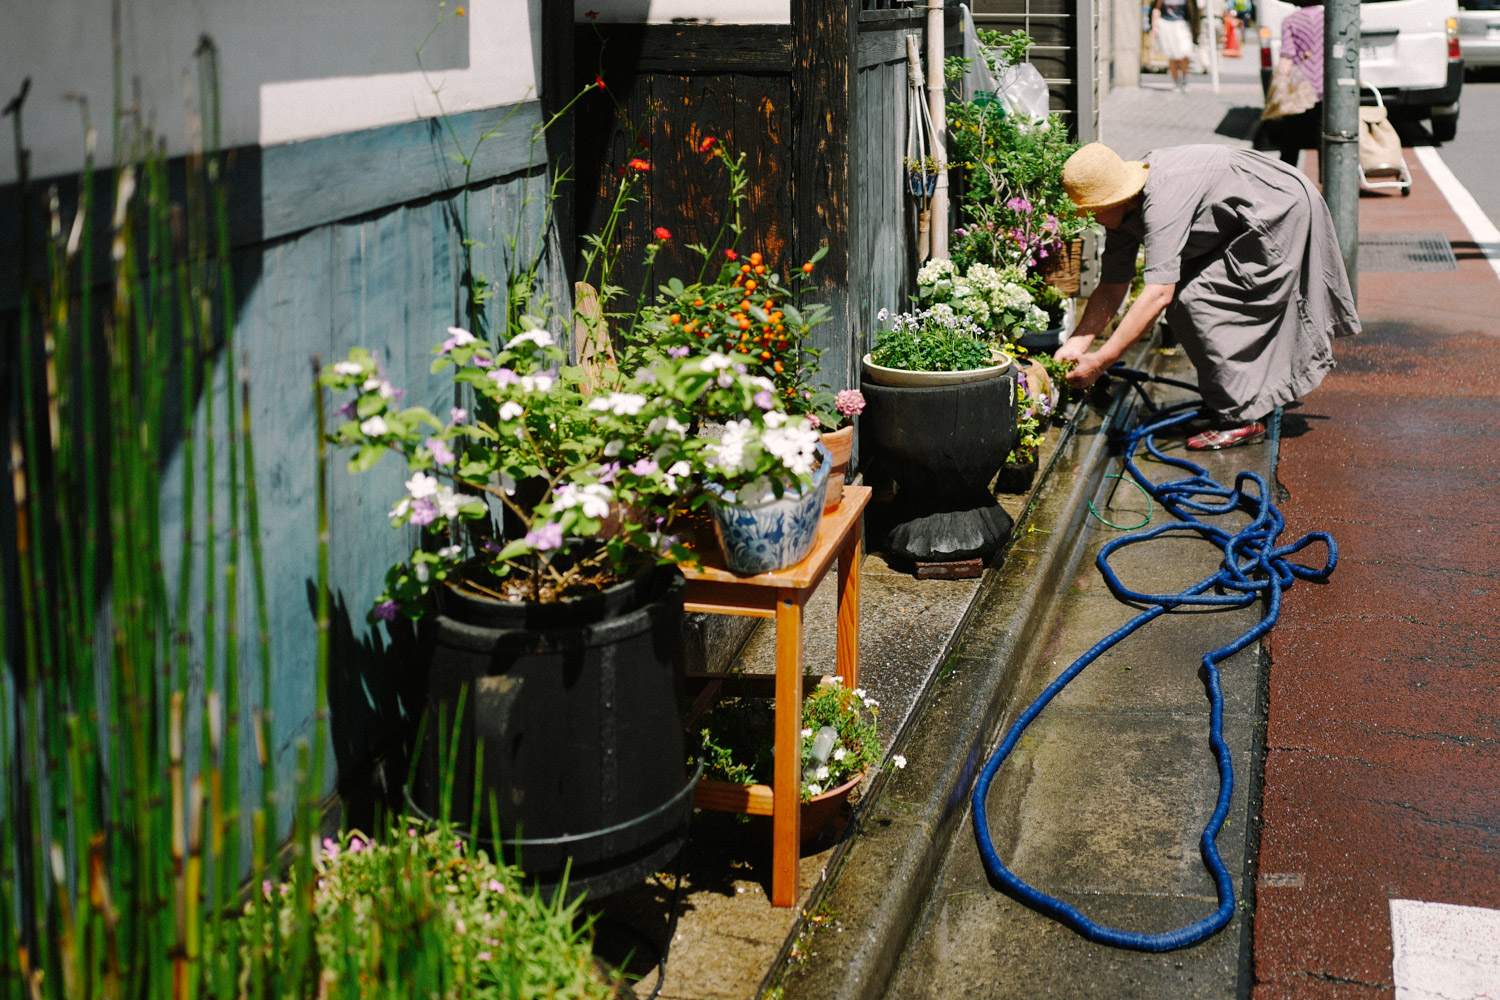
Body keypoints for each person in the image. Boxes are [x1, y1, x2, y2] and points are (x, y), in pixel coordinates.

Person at [1053, 142, 1360, 450]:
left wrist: (1101, 361)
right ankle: (1241, 399)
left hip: (1278, 207)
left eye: (1090, 212)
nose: (1088, 219)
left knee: (1195, 300)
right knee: (1189, 298)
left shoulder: (1160, 203)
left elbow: (1158, 294)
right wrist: (1077, 343)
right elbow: (1112, 286)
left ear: (1111, 202)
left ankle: (1242, 418)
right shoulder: (1123, 207)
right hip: (1247, 210)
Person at [1273, 0, 1325, 164]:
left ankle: (1288, 180)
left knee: (1291, 138)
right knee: (1323, 137)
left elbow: (1287, 57)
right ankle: (1327, 183)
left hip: (1300, 88)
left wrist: (1279, 85)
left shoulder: (1290, 21)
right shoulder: (1328, 18)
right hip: (1325, 87)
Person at [1152, 0, 1202, 92]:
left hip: (1183, 24)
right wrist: (1154, 25)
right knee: (1173, 56)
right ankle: (1177, 82)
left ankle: (1185, 78)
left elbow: (1193, 11)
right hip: (1167, 25)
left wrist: (1195, 29)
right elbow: (1156, 8)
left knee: (1186, 53)